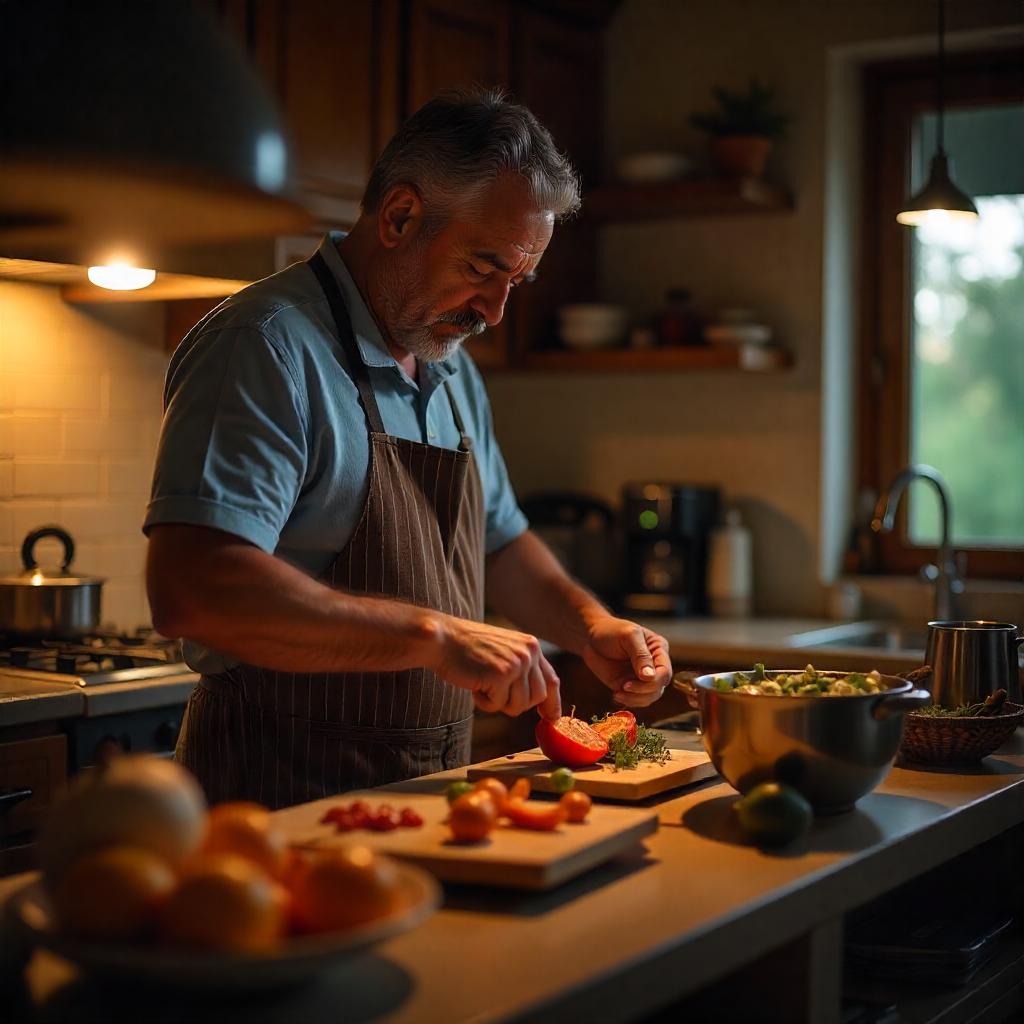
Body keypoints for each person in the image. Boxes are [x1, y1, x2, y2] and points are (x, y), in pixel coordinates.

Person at [144, 88, 671, 809]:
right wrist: (432, 635)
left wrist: (590, 628)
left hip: (423, 798)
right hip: (269, 801)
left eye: (517, 281)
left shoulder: (450, 367)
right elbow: (193, 592)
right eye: (484, 269)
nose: (495, 311)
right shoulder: (264, 347)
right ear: (400, 216)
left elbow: (498, 545)